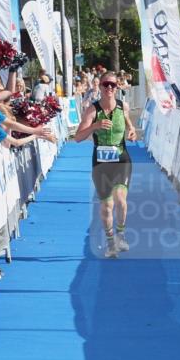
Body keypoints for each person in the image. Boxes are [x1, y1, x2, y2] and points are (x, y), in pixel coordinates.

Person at [73, 71, 138, 259]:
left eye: (113, 85)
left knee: (121, 200)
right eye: (106, 85)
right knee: (107, 206)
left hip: (121, 158)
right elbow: (77, 138)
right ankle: (110, 243)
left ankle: (121, 236)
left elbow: (129, 125)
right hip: (101, 162)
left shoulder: (122, 106)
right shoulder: (92, 110)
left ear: (117, 88)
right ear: (99, 87)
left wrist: (132, 132)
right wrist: (95, 126)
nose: (109, 88)